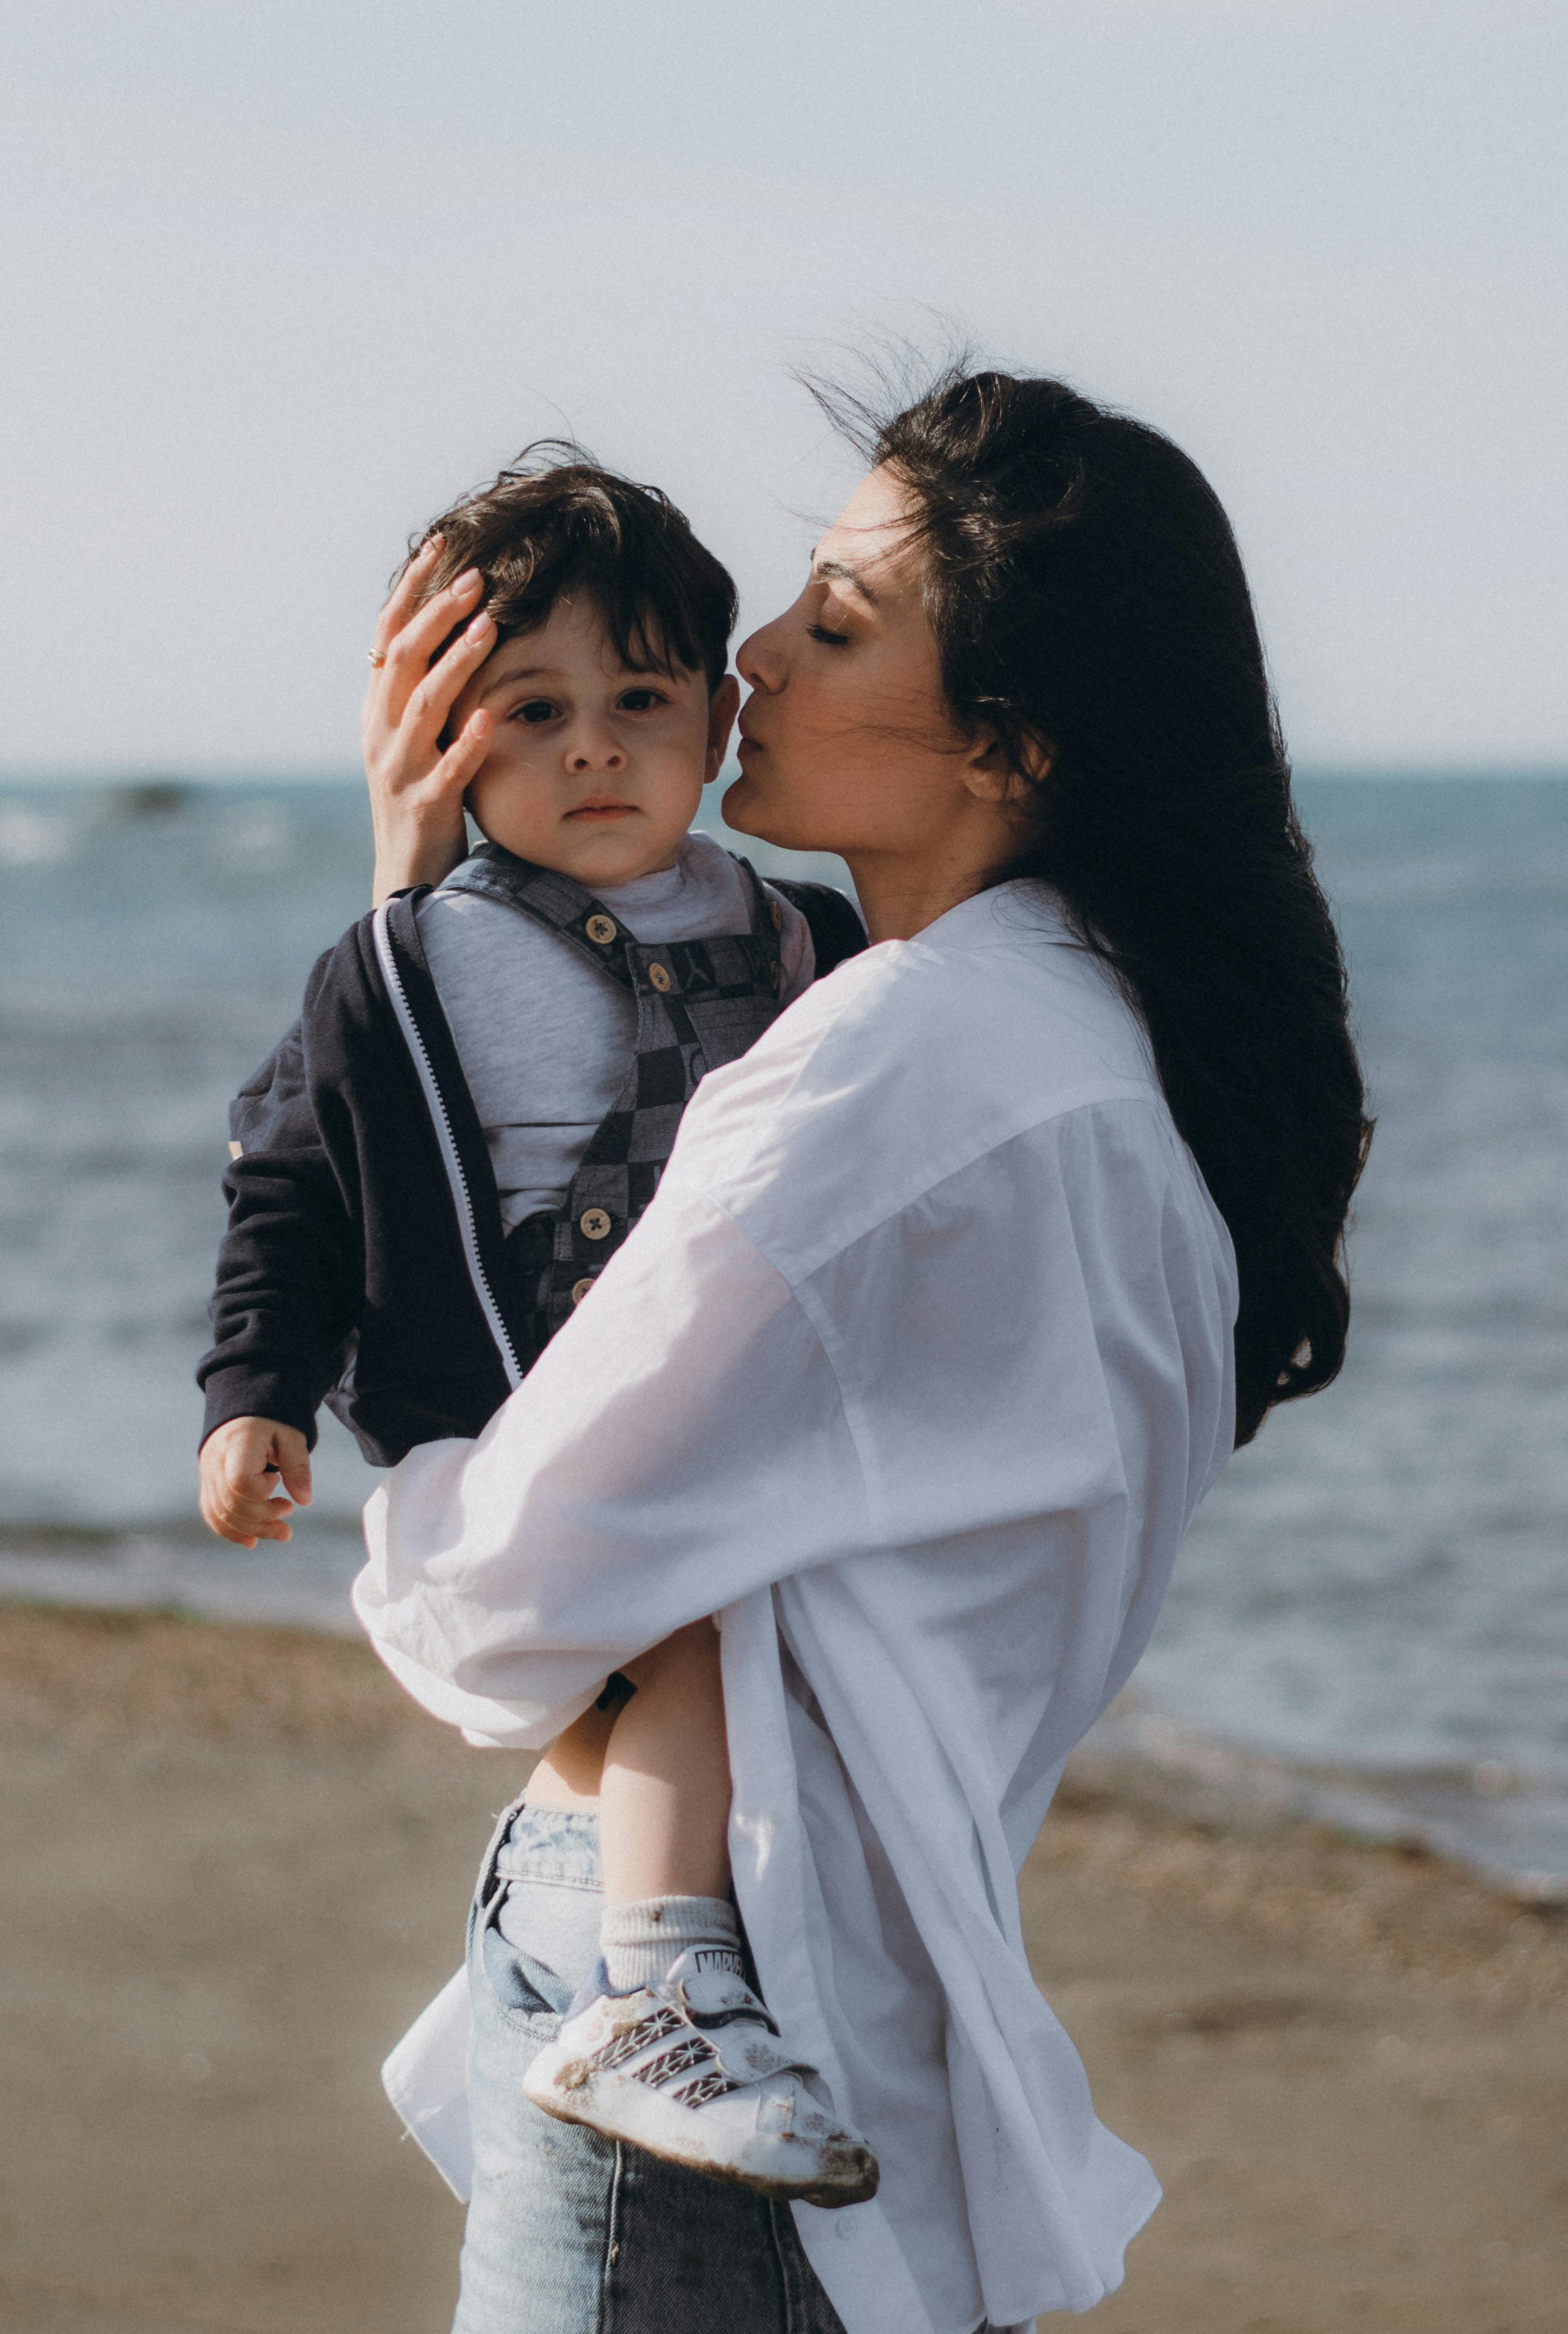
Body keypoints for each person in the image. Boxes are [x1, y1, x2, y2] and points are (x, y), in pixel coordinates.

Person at [357, 366, 1371, 2334]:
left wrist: (415, 947)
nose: (746, 655)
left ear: (1002, 747)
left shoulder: (885, 1073)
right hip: (865, 1993)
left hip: (701, 1990)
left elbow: (496, 1610)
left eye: (832, 623)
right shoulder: (1111, 1054)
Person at [194, 451, 876, 2205]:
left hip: (724, 1431)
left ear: (718, 717)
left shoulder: (797, 930)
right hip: (525, 1443)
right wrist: (254, 1394)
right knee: (695, 1649)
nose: (591, 746)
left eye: (638, 699)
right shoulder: (415, 955)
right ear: (446, 734)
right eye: (533, 706)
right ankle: (653, 1999)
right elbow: (293, 1177)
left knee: (732, 1670)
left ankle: (623, 1982)